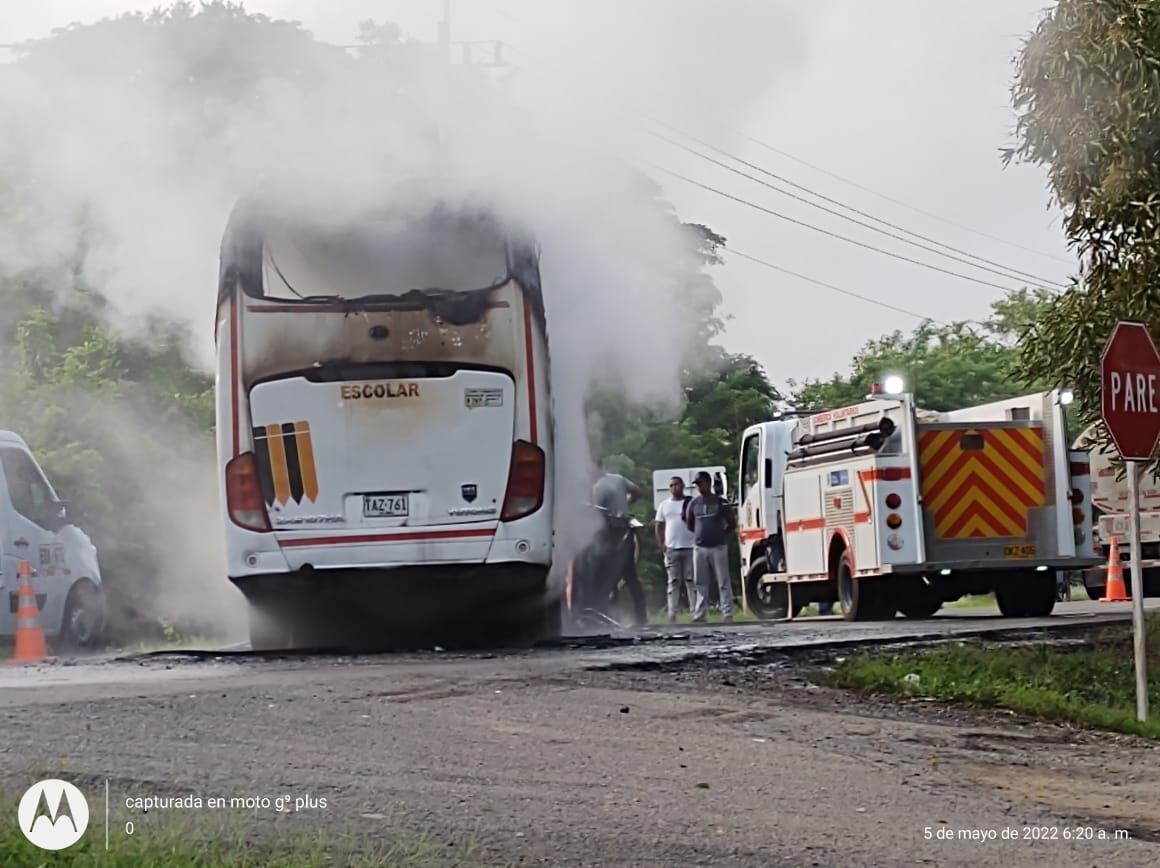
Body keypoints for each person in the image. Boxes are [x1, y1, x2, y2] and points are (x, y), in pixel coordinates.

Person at [589, 466, 647, 627]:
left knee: (608, 575)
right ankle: (641, 616)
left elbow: (596, 514)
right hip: (626, 530)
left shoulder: (598, 487)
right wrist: (627, 503)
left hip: (611, 533)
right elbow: (638, 492)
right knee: (630, 576)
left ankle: (611, 616)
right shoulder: (618, 479)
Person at [684, 470, 737, 623]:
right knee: (700, 582)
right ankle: (700, 614)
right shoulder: (693, 503)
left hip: (718, 547)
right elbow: (689, 524)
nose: (699, 487)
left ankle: (727, 613)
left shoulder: (720, 502)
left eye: (701, 483)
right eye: (697, 484)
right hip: (700, 547)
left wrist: (720, 534)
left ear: (709, 483)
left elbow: (731, 523)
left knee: (723, 581)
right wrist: (701, 534)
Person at [654, 476, 700, 624]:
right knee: (673, 581)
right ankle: (672, 612)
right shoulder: (664, 505)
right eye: (672, 485)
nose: (675, 488)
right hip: (672, 547)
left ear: (683, 486)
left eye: (677, 485)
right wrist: (662, 544)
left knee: (691, 580)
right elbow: (659, 525)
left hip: (690, 546)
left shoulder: (690, 502)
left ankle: (695, 612)